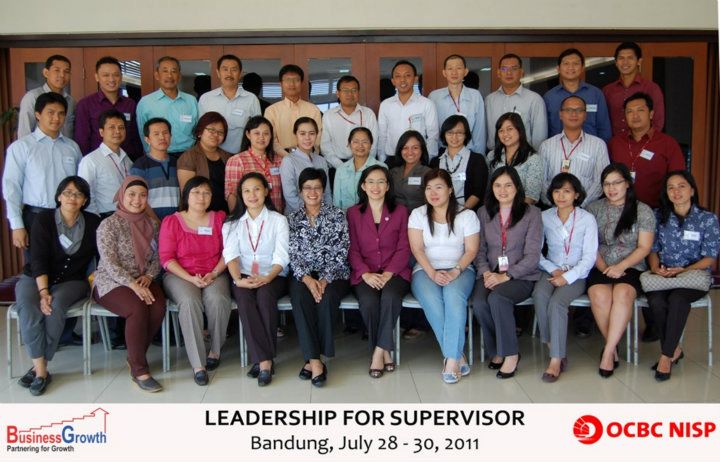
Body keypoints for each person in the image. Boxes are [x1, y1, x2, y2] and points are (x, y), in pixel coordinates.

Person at [13, 176, 99, 396]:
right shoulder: (43, 219)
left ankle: (38, 370)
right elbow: (38, 258)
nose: (72, 198)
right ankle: (41, 369)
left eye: (78, 194)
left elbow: (100, 257)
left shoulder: (93, 222)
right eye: (67, 192)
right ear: (59, 196)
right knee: (29, 307)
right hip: (36, 277)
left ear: (85, 200)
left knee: (56, 306)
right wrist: (43, 291)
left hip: (72, 281)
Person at [643, 171, 720, 381]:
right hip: (664, 275)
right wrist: (655, 267)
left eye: (681, 186)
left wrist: (684, 270)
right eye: (671, 187)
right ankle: (674, 349)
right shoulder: (658, 216)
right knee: (656, 301)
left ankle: (665, 357)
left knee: (677, 299)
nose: (676, 191)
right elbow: (652, 249)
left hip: (693, 276)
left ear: (692, 190)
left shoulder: (707, 219)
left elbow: (710, 257)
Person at [93, 176, 166, 392]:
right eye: (131, 194)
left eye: (143, 195)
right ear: (122, 196)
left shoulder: (152, 224)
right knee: (137, 308)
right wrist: (133, 285)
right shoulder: (109, 224)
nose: (137, 200)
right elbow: (109, 262)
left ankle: (134, 356)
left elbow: (159, 256)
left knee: (158, 307)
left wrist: (149, 276)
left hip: (143, 278)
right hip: (111, 282)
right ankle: (139, 369)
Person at [159, 176, 231, 386]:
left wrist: (214, 273)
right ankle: (198, 364)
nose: (201, 197)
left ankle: (215, 351)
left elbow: (229, 252)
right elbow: (166, 258)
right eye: (196, 192)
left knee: (218, 299)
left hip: (214, 272)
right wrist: (190, 277)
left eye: (206, 193)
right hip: (180, 275)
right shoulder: (172, 221)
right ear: (186, 196)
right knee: (190, 302)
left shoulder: (220, 218)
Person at [409, 169, 479, 383]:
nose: (433, 192)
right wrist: (432, 273)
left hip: (460, 268)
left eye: (438, 187)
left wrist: (455, 270)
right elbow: (417, 249)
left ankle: (450, 360)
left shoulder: (467, 215)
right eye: (429, 188)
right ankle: (457, 356)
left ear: (450, 189)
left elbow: (471, 250)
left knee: (453, 298)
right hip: (425, 269)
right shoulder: (418, 214)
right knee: (432, 301)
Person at [473, 166, 542, 379]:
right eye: (497, 185)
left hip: (520, 275)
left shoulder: (532, 213)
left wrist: (506, 275)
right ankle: (496, 350)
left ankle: (511, 354)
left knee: (498, 298)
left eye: (508, 185)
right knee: (479, 302)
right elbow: (479, 249)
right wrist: (486, 272)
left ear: (517, 187)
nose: (502, 190)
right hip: (490, 272)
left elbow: (533, 255)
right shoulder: (483, 212)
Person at [586, 163, 655, 378]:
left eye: (616, 183)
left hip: (631, 265)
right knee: (599, 294)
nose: (611, 188)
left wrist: (620, 267)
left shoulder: (642, 210)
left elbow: (644, 247)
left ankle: (608, 352)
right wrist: (605, 268)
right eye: (606, 184)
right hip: (600, 264)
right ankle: (612, 346)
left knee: (622, 293)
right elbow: (589, 245)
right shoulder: (593, 209)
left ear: (627, 184)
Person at [223, 172, 289, 386]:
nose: (252, 195)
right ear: (241, 195)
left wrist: (268, 277)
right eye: (246, 191)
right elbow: (231, 255)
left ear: (266, 192)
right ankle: (265, 360)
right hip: (243, 274)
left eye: (257, 189)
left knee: (265, 297)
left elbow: (282, 256)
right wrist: (237, 280)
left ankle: (262, 361)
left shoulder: (278, 220)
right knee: (244, 299)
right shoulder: (231, 223)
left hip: (274, 274)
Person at [532, 173, 598, 382]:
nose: (561, 196)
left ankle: (555, 359)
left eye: (567, 191)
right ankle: (551, 344)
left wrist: (567, 276)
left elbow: (589, 257)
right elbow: (536, 252)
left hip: (577, 273)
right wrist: (553, 270)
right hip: (550, 269)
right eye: (557, 191)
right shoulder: (544, 216)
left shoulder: (587, 219)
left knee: (557, 303)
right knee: (540, 295)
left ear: (576, 194)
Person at [288, 168, 350, 387]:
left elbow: (341, 250)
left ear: (323, 190)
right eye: (307, 187)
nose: (312, 192)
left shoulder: (337, 215)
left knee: (326, 298)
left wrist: (324, 279)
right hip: (303, 274)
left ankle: (315, 358)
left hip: (334, 274)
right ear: (300, 191)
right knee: (300, 298)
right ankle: (315, 361)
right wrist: (307, 279)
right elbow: (292, 254)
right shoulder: (292, 219)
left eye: (317, 187)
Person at [347, 165, 411, 378]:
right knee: (369, 302)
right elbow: (352, 249)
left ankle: (378, 353)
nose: (376, 186)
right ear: (363, 186)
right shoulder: (353, 213)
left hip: (395, 272)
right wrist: (365, 273)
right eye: (371, 182)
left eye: (381, 181)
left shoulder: (400, 211)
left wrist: (388, 273)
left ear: (388, 186)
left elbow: (404, 247)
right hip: (365, 273)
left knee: (391, 297)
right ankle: (385, 351)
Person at [3, 92, 82, 263]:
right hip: (35, 217)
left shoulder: (72, 148)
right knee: (37, 268)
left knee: (67, 266)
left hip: (68, 216)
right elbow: (12, 187)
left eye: (61, 113)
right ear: (38, 115)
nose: (56, 118)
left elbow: (80, 184)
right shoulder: (22, 147)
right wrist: (17, 225)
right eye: (50, 113)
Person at [608, 92, 684, 209]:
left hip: (656, 210)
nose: (635, 115)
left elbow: (678, 178)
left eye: (640, 110)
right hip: (619, 210)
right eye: (629, 111)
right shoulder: (615, 143)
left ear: (651, 114)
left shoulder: (667, 143)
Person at [538, 95, 609, 207]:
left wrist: (580, 205)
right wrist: (557, 204)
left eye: (579, 110)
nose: (574, 114)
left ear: (585, 115)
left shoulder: (598, 145)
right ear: (560, 114)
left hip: (586, 209)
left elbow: (601, 181)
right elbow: (541, 181)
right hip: (553, 210)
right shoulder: (546, 146)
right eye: (568, 110)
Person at [74, 56, 143, 160]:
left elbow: (135, 137)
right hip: (98, 162)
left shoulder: (130, 104)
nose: (111, 79)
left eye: (116, 75)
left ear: (121, 77)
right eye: (106, 75)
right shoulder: (85, 104)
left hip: (127, 161)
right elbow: (82, 139)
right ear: (97, 77)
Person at [377, 60, 439, 166]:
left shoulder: (427, 104)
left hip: (418, 160)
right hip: (392, 159)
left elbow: (433, 136)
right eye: (398, 76)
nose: (402, 80)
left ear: (415, 79)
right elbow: (382, 136)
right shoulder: (385, 105)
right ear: (393, 81)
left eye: (407, 75)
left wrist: (426, 161)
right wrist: (382, 161)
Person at [543, 48, 612, 142]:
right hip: (557, 148)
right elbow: (545, 130)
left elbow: (604, 128)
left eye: (575, 63)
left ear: (583, 67)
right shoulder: (549, 97)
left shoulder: (595, 94)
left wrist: (601, 147)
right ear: (558, 68)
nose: (571, 67)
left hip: (591, 148)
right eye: (566, 63)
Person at [136, 56, 198, 158]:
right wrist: (151, 156)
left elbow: (196, 129)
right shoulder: (146, 102)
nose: (169, 75)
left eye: (174, 71)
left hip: (188, 155)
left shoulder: (191, 101)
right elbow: (142, 133)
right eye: (165, 71)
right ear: (157, 75)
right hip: (158, 155)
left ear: (179, 76)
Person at [198, 54, 261, 153]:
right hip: (212, 155)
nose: (229, 74)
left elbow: (257, 130)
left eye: (234, 70)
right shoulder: (206, 98)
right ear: (218, 73)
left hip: (241, 155)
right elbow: (201, 130)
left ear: (240, 74)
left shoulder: (251, 99)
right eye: (225, 69)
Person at [78, 109, 134, 218]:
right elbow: (86, 194)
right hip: (104, 216)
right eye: (112, 127)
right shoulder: (90, 160)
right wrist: (96, 219)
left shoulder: (127, 160)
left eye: (121, 127)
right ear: (101, 132)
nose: (117, 131)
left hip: (128, 216)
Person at [485, 53, 547, 151]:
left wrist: (533, 157)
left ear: (521, 72)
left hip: (524, 155)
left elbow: (539, 137)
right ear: (498, 73)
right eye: (504, 69)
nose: (509, 72)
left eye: (514, 68)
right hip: (495, 155)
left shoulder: (534, 99)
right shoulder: (489, 100)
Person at [603, 42, 665, 137]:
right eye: (621, 58)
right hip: (614, 143)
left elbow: (658, 121)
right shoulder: (608, 90)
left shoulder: (651, 88)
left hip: (643, 143)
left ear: (639, 61)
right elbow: (603, 122)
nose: (625, 62)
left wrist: (647, 142)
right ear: (616, 62)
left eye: (630, 58)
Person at [429, 54, 486, 153]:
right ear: (444, 72)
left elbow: (479, 130)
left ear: (465, 71)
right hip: (442, 151)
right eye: (450, 68)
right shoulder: (434, 97)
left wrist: (479, 156)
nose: (454, 72)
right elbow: (432, 131)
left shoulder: (475, 96)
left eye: (458, 68)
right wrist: (433, 155)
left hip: (469, 150)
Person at [225, 116, 284, 213]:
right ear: (248, 135)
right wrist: (237, 218)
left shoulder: (279, 160)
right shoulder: (237, 161)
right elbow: (232, 194)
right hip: (249, 218)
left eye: (266, 133)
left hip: (277, 218)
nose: (261, 137)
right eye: (257, 133)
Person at [430, 115, 489, 211]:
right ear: (444, 134)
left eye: (459, 133)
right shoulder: (435, 162)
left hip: (467, 213)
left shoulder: (477, 160)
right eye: (450, 132)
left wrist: (461, 213)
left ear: (466, 135)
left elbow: (478, 192)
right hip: (440, 212)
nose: (454, 137)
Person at [177, 111, 232, 212]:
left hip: (225, 212)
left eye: (220, 132)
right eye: (211, 130)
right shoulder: (189, 157)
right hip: (201, 213)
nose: (216, 134)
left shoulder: (228, 157)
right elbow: (187, 193)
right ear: (200, 132)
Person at [320, 75, 379, 169]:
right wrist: (341, 167)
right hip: (337, 166)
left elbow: (374, 143)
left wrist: (364, 164)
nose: (350, 94)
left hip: (364, 165)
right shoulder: (328, 115)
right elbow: (325, 146)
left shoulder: (368, 114)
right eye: (345, 90)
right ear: (338, 93)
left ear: (358, 93)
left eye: (354, 90)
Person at [265, 64, 323, 157]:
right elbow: (272, 140)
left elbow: (317, 138)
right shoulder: (271, 111)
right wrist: (289, 158)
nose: (292, 84)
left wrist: (306, 157)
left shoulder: (313, 109)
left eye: (296, 80)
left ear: (301, 83)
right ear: (281, 84)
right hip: (281, 159)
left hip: (309, 159)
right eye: (287, 80)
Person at [487, 112, 543, 204]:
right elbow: (488, 189)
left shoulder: (533, 158)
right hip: (495, 208)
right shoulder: (492, 156)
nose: (505, 134)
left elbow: (531, 196)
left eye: (509, 129)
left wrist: (513, 211)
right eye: (501, 131)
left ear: (519, 130)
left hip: (522, 209)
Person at [130, 118, 180, 221]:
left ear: (170, 136)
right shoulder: (140, 166)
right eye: (156, 134)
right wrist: (156, 222)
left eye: (165, 133)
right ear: (147, 139)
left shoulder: (178, 163)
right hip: (150, 222)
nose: (162, 137)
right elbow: (138, 199)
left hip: (175, 222)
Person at [280, 117, 331, 214]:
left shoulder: (321, 161)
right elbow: (290, 195)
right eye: (302, 133)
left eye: (312, 133)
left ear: (316, 135)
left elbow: (327, 192)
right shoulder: (288, 161)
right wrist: (312, 213)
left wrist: (327, 213)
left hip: (322, 215)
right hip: (296, 215)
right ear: (295, 135)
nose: (307, 138)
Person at [17, 55, 75, 139]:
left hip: (64, 147)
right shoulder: (32, 98)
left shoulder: (71, 101)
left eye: (66, 71)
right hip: (39, 147)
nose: (62, 75)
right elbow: (24, 133)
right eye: (57, 70)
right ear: (46, 73)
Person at [333, 127, 386, 210]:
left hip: (371, 216)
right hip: (345, 216)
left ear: (371, 144)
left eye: (365, 142)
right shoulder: (341, 169)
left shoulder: (381, 168)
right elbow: (337, 201)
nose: (360, 145)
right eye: (356, 142)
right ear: (349, 144)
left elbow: (384, 199)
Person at [390, 131, 433, 212]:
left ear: (422, 150)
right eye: (405, 148)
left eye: (415, 148)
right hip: (395, 217)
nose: (410, 152)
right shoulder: (393, 172)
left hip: (418, 217)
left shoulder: (429, 173)